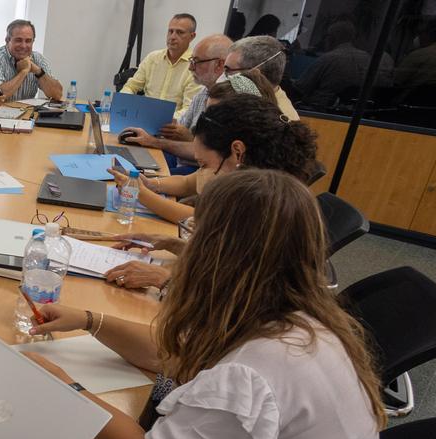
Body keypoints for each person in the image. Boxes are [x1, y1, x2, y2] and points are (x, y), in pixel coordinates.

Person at [29, 170, 385, 439]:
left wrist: (65, 388)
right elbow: (170, 354)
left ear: (214, 255)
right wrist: (89, 320)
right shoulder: (301, 320)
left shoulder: (254, 372)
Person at [104, 94, 317, 291]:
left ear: (237, 152)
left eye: (204, 164)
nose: (202, 174)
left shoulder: (266, 206)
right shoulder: (267, 191)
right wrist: (172, 243)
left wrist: (163, 280)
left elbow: (235, 295)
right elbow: (225, 261)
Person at [117, 34, 233, 164]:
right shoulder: (203, 92)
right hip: (179, 156)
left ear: (219, 65)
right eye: (170, 31)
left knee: (135, 170)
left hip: (195, 168)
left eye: (196, 62)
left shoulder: (229, 101)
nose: (190, 67)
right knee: (125, 158)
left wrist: (155, 141)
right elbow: (181, 128)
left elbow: (206, 154)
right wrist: (169, 128)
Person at [120, 14, 203, 120]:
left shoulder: (195, 66)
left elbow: (189, 109)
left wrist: (160, 118)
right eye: (170, 31)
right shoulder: (153, 58)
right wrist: (125, 105)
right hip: (142, 119)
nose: (172, 37)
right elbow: (131, 87)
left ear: (192, 36)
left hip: (172, 126)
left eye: (179, 32)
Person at [296, 20, 393, 107]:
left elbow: (300, 89)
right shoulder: (368, 59)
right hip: (349, 113)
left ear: (332, 39)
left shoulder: (328, 59)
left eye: (326, 37)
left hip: (319, 110)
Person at [0, 19, 64, 102]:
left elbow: (57, 95)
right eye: (18, 40)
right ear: (7, 40)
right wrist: (24, 71)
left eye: (28, 41)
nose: (23, 46)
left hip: (28, 113)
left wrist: (38, 71)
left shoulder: (38, 59)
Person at [224, 36, 301, 120]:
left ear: (255, 74)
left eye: (228, 70)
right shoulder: (255, 103)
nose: (224, 75)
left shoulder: (275, 120)